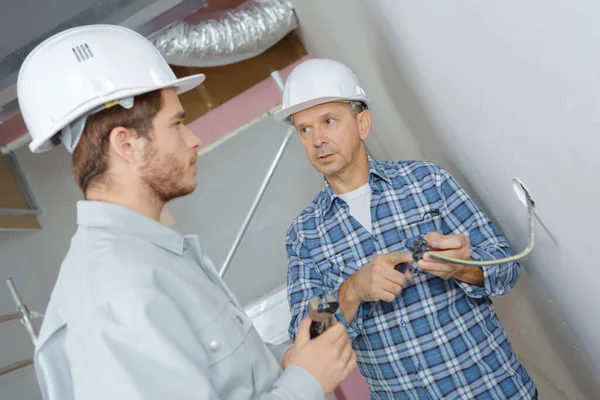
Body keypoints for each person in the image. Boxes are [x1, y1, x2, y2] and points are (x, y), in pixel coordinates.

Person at [18, 26, 356, 400]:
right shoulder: (114, 297)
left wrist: (287, 362)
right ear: (127, 144)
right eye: (176, 123)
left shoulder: (155, 257)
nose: (193, 139)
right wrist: (305, 382)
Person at [274, 58, 537, 399]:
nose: (317, 140)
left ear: (362, 123)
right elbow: (305, 339)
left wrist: (464, 266)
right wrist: (352, 291)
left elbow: (506, 268)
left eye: (328, 121)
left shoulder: (428, 181)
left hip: (496, 391)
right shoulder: (304, 235)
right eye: (304, 129)